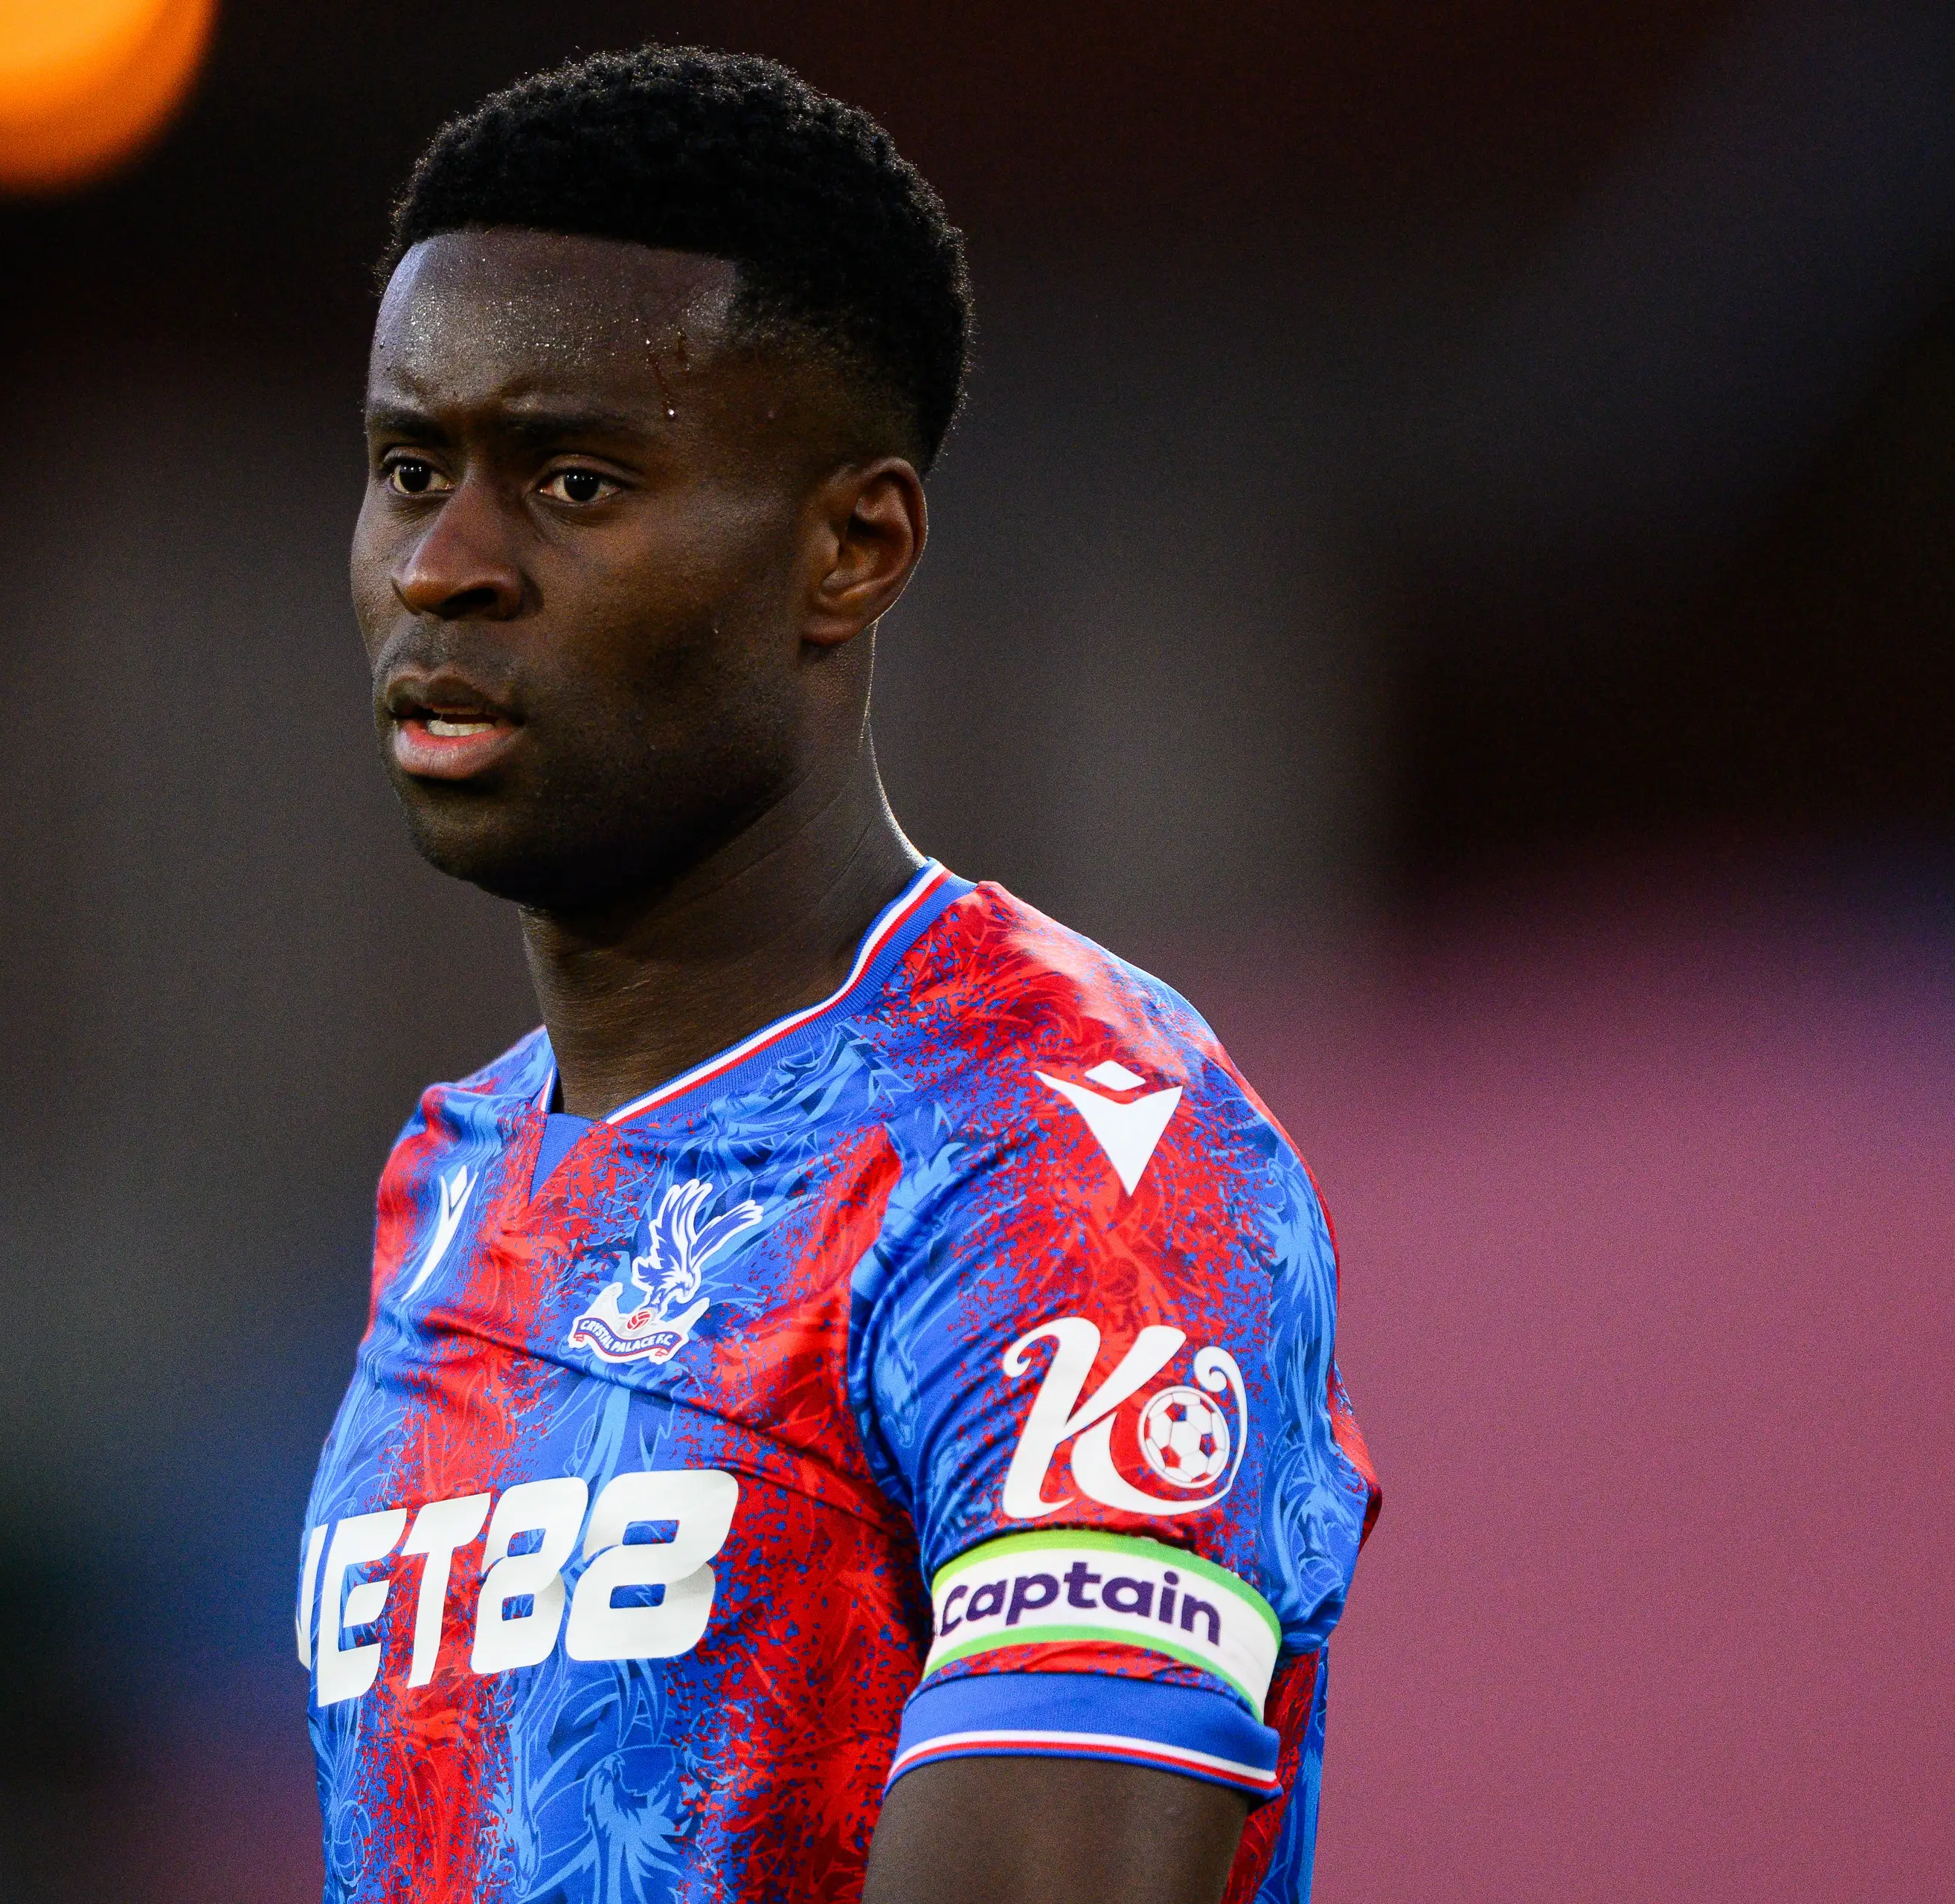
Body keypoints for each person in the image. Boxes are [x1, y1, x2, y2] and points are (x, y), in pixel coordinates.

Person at [298, 47, 1378, 1904]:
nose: (447, 566)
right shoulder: (457, 1178)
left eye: (570, 479)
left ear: (850, 548)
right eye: (413, 468)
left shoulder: (1067, 1155)